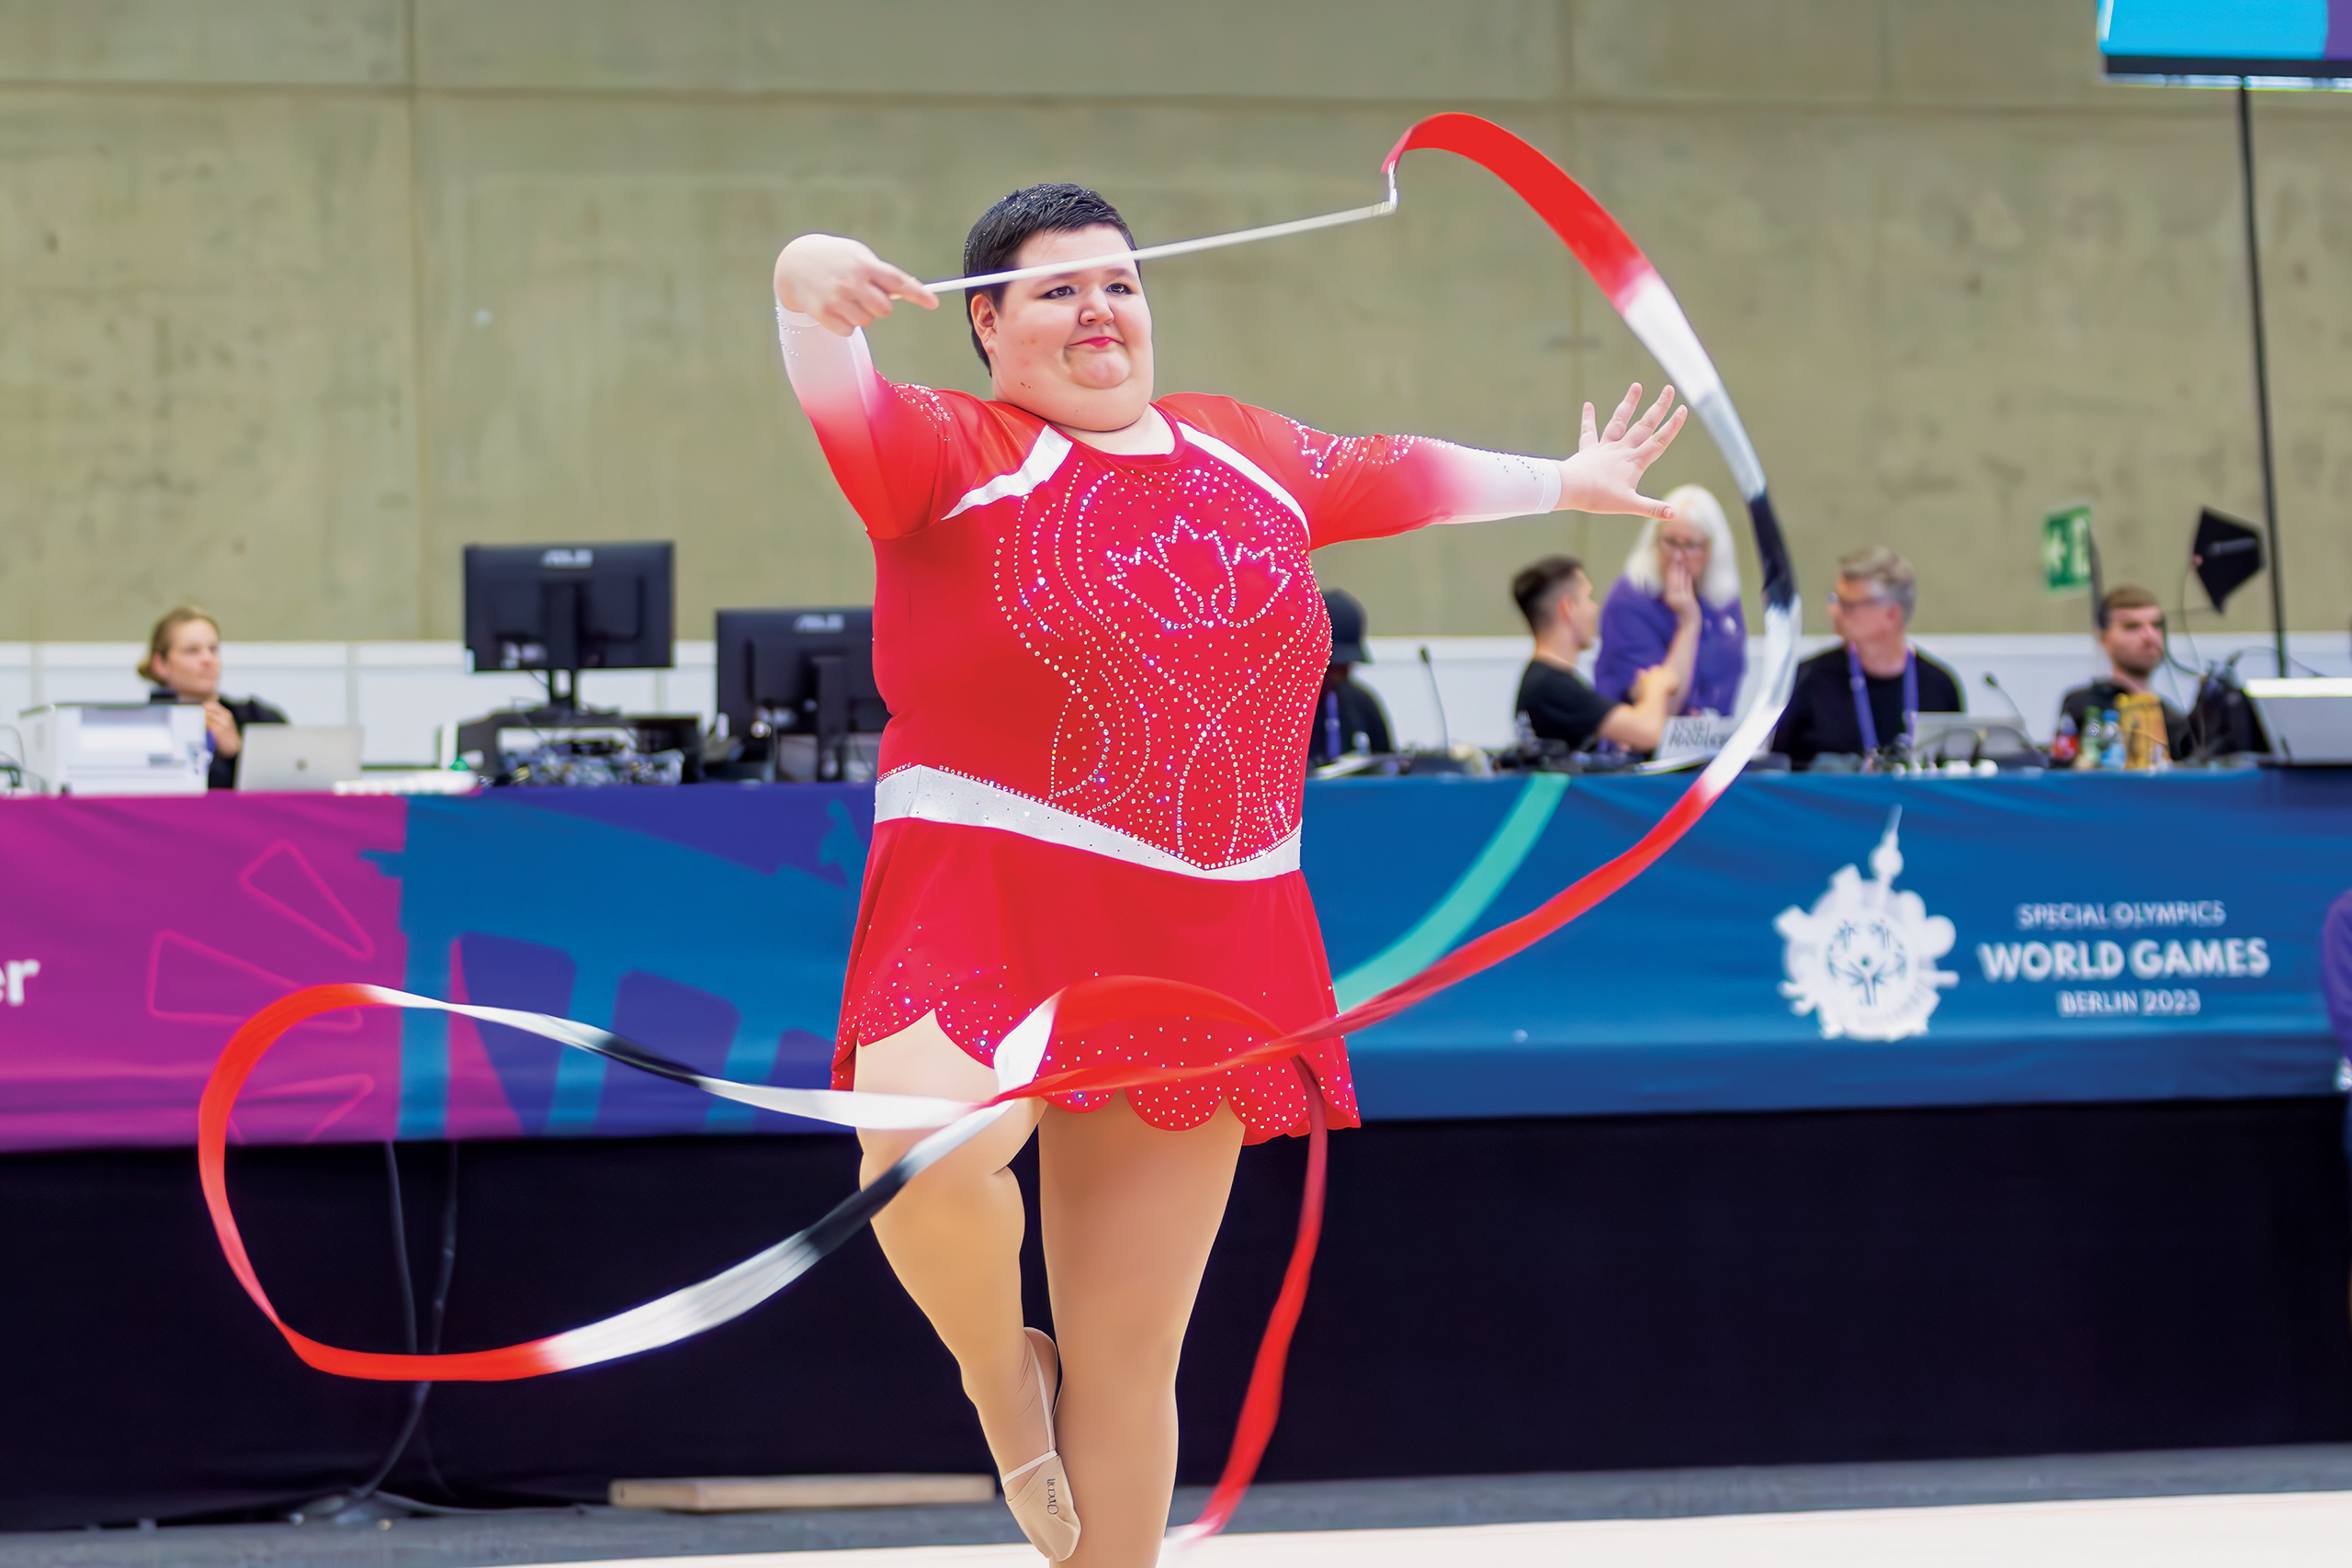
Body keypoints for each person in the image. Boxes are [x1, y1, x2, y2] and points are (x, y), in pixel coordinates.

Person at [773, 184, 1686, 1566]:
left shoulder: (1241, 445)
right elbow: (833, 383)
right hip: (991, 886)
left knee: (1130, 1354)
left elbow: (1397, 468)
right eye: (1059, 288)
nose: (1101, 308)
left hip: (1204, 927)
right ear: (985, 326)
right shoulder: (952, 449)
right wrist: (802, 285)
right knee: (925, 1152)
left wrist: (1560, 482)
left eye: (1121, 282)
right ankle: (991, 1369)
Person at [1770, 546, 1961, 769]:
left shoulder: (1939, 686)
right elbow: (1777, 770)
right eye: (1835, 600)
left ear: (1891, 614)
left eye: (1848, 605)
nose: (1833, 612)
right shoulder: (1806, 679)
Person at [1593, 483, 1745, 716]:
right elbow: (1659, 708)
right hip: (1640, 747)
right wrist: (1688, 623)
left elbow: (1726, 688)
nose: (1677, 556)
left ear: (1712, 551)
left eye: (1691, 545)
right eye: (1670, 542)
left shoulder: (1723, 602)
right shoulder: (1630, 598)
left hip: (1709, 742)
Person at [1511, 555, 1684, 754]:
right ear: (1567, 608)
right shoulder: (1552, 688)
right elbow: (1648, 733)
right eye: (1588, 598)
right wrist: (1657, 684)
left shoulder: (1546, 683)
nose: (1594, 608)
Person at [140, 607, 287, 791]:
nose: (208, 659)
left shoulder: (259, 720)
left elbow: (285, 794)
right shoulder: (142, 729)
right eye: (192, 651)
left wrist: (238, 755)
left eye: (213, 649)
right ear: (160, 664)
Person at [2057, 586, 2193, 761]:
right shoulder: (2085, 707)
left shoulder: (2172, 719)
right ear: (2104, 636)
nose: (2149, 636)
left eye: (2156, 625)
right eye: (2132, 627)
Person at [1306, 589, 1392, 763]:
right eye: (1332, 665)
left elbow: (1387, 764)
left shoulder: (1361, 703)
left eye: (1345, 665)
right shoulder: (1282, 708)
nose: (1339, 675)